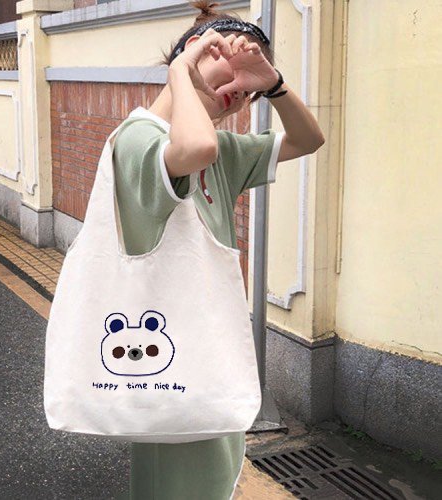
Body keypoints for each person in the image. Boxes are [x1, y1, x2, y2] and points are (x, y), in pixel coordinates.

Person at [111, 2, 325, 499]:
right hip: (167, 356)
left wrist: (274, 85)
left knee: (215, 473)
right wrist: (181, 73)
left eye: (247, 91)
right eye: (229, 73)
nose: (237, 93)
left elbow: (308, 139)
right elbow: (195, 150)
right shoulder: (138, 139)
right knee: (179, 481)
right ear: (194, 53)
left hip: (211, 347)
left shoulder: (222, 149)